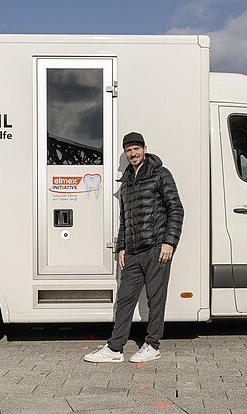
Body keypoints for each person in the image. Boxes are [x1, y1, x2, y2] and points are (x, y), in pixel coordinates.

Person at [84, 132, 184, 363]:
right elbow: (125, 218)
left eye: (136, 148)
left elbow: (176, 209)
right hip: (132, 252)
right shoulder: (127, 182)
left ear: (145, 148)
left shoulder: (160, 174)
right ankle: (115, 348)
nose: (133, 153)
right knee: (125, 299)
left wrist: (169, 242)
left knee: (155, 299)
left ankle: (152, 345)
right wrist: (121, 247)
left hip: (156, 248)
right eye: (128, 150)